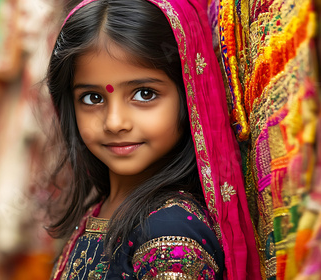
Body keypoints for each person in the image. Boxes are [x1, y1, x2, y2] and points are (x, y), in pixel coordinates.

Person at [44, 0, 261, 279]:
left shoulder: (169, 232)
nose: (115, 122)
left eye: (144, 94)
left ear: (189, 97)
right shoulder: (102, 210)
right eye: (93, 98)